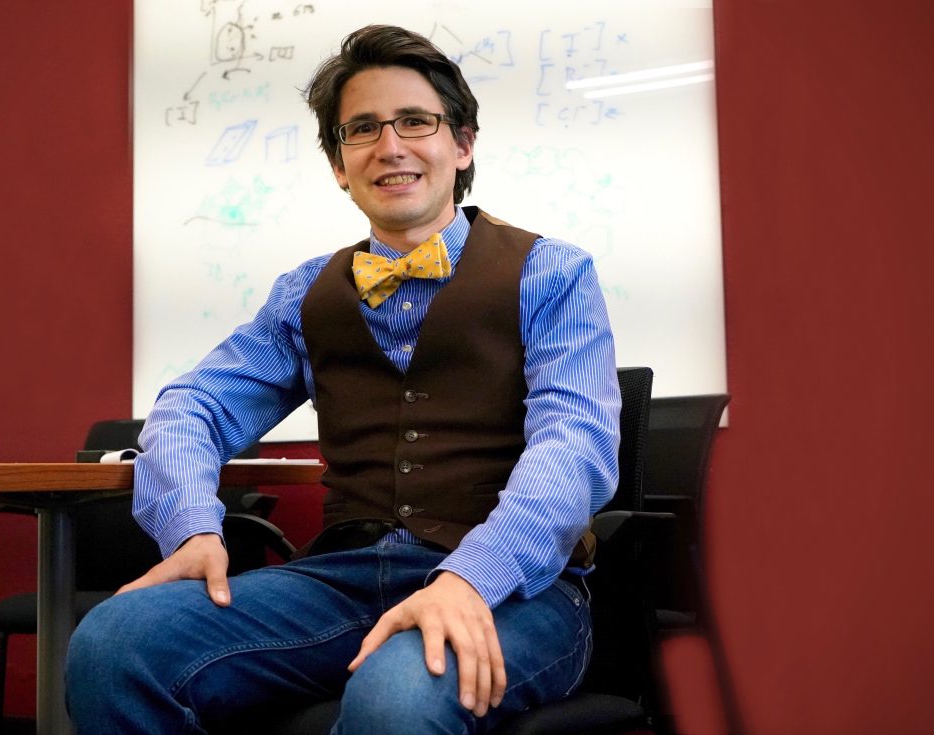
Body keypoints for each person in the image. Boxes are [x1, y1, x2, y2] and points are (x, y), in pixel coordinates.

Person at [66, 24, 620, 734]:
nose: (390, 147)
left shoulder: (553, 273)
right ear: (338, 163)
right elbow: (193, 406)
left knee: (399, 695)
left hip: (521, 590)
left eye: (416, 121)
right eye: (362, 129)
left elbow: (573, 450)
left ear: (463, 144)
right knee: (114, 642)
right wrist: (189, 527)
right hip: (342, 577)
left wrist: (467, 576)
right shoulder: (304, 292)